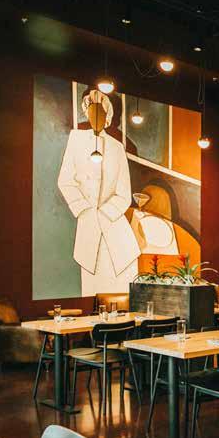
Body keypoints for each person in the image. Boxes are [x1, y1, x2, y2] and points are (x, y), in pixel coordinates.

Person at [58, 89, 139, 296]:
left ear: (108, 114)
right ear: (86, 110)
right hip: (88, 232)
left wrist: (103, 214)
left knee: (125, 290)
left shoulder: (117, 148)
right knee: (93, 293)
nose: (96, 116)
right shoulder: (76, 139)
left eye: (101, 111)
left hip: (117, 232)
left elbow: (124, 193)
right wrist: (86, 211)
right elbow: (65, 181)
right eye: (92, 109)